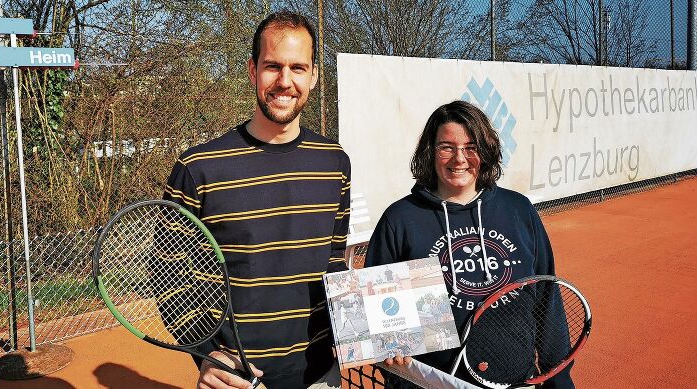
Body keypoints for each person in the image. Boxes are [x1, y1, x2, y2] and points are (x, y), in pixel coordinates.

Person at [163, 11, 351, 389]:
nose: (285, 81)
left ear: (314, 75)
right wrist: (206, 352)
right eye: (272, 66)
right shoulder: (197, 167)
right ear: (252, 71)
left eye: (298, 67)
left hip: (320, 374)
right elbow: (169, 278)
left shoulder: (335, 162)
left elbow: (333, 263)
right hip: (238, 378)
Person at [365, 101, 574, 388]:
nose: (459, 158)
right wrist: (389, 355)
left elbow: (547, 300)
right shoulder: (401, 218)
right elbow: (379, 320)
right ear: (431, 151)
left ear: (485, 152)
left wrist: (558, 381)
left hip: (515, 381)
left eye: (471, 147)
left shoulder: (518, 210)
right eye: (446, 147)